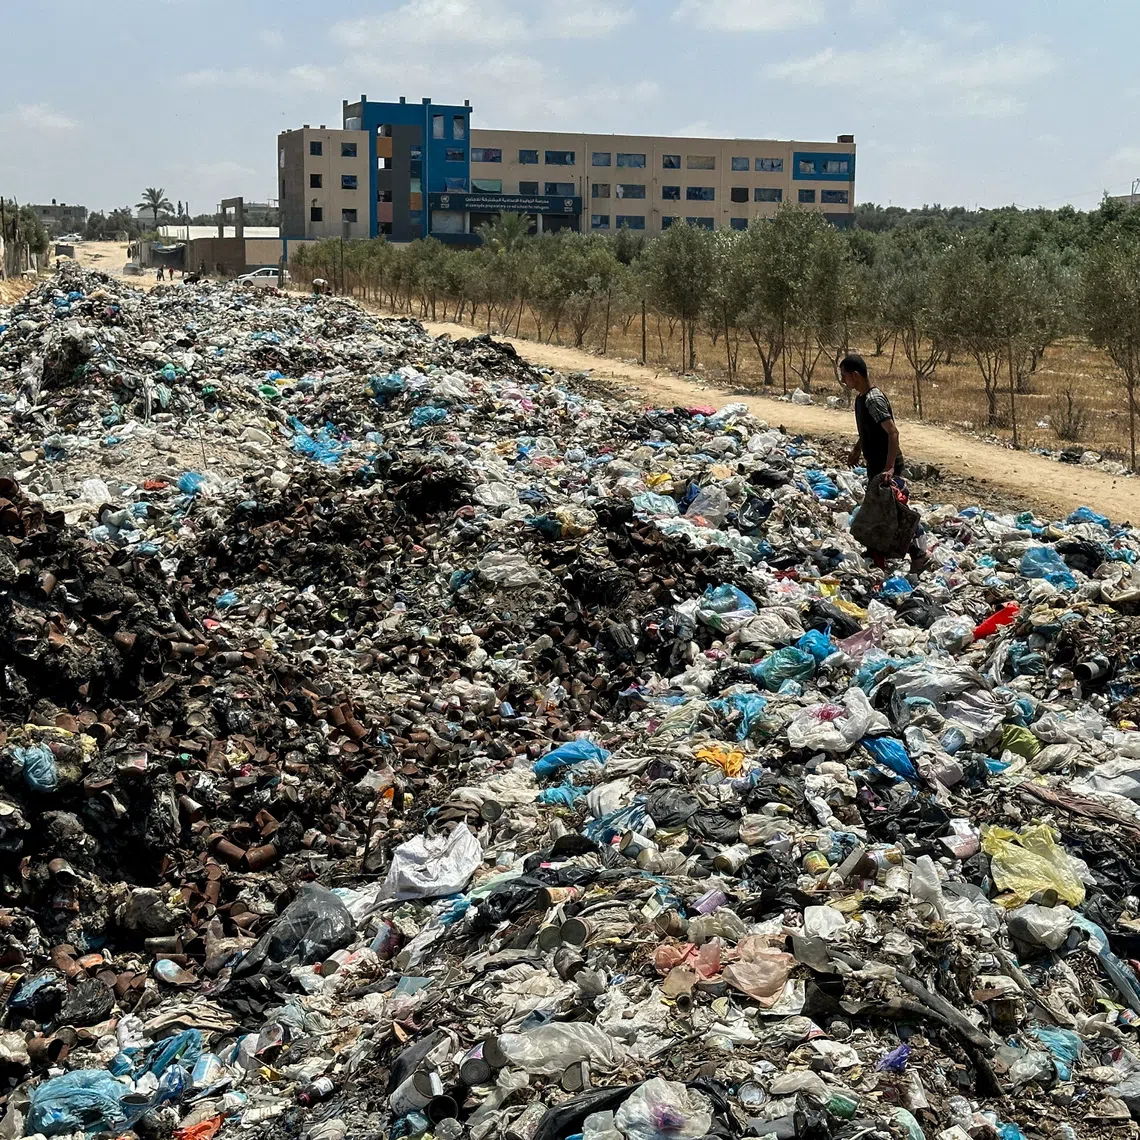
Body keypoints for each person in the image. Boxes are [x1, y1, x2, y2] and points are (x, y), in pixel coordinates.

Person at [840, 353, 929, 574]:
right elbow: (870, 430)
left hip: (887, 467)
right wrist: (857, 449)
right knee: (877, 512)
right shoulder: (862, 399)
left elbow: (892, 432)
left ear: (856, 375)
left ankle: (919, 555)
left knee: (896, 513)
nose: (843, 381)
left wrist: (890, 467)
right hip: (877, 466)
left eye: (845, 376)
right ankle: (875, 552)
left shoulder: (873, 399)